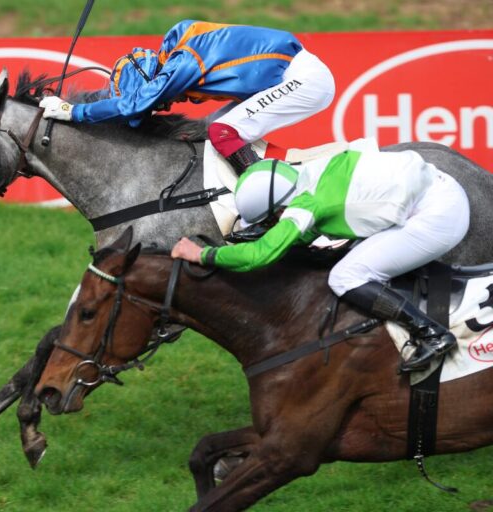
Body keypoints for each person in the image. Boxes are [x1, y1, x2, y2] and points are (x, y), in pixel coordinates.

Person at [171, 150, 470, 372]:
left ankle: (432, 334)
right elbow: (300, 239)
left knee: (344, 277)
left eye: (270, 219)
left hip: (438, 217)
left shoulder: (305, 205)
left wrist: (203, 254)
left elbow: (260, 255)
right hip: (440, 190)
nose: (272, 224)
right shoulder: (308, 174)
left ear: (280, 208)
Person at [39, 19, 335, 174]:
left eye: (160, 102)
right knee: (207, 132)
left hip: (305, 79)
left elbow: (133, 105)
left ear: (152, 79)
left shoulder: (183, 61)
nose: (166, 105)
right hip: (289, 75)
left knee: (222, 131)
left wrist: (72, 111)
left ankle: (271, 200)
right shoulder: (179, 53)